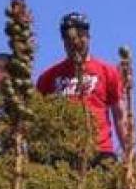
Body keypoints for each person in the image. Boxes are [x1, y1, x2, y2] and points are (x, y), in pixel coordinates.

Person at [36, 12, 128, 165]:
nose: (75, 41)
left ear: (88, 36)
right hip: (62, 153)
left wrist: (129, 152)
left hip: (100, 151)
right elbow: (38, 118)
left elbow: (120, 116)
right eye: (68, 38)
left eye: (80, 35)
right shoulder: (48, 77)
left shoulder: (107, 71)